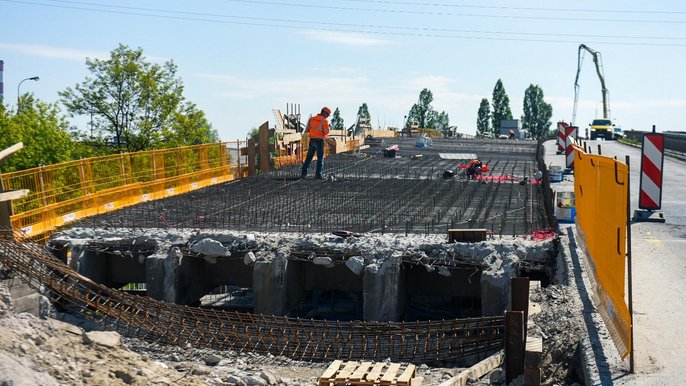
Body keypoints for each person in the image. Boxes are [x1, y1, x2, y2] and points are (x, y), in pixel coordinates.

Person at [301, 107, 331, 179]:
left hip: (312, 140)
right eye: (327, 115)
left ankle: (303, 174)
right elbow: (326, 132)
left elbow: (307, 129)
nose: (327, 116)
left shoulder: (311, 119)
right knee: (320, 158)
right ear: (324, 113)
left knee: (309, 158)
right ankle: (318, 175)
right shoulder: (324, 121)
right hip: (319, 141)